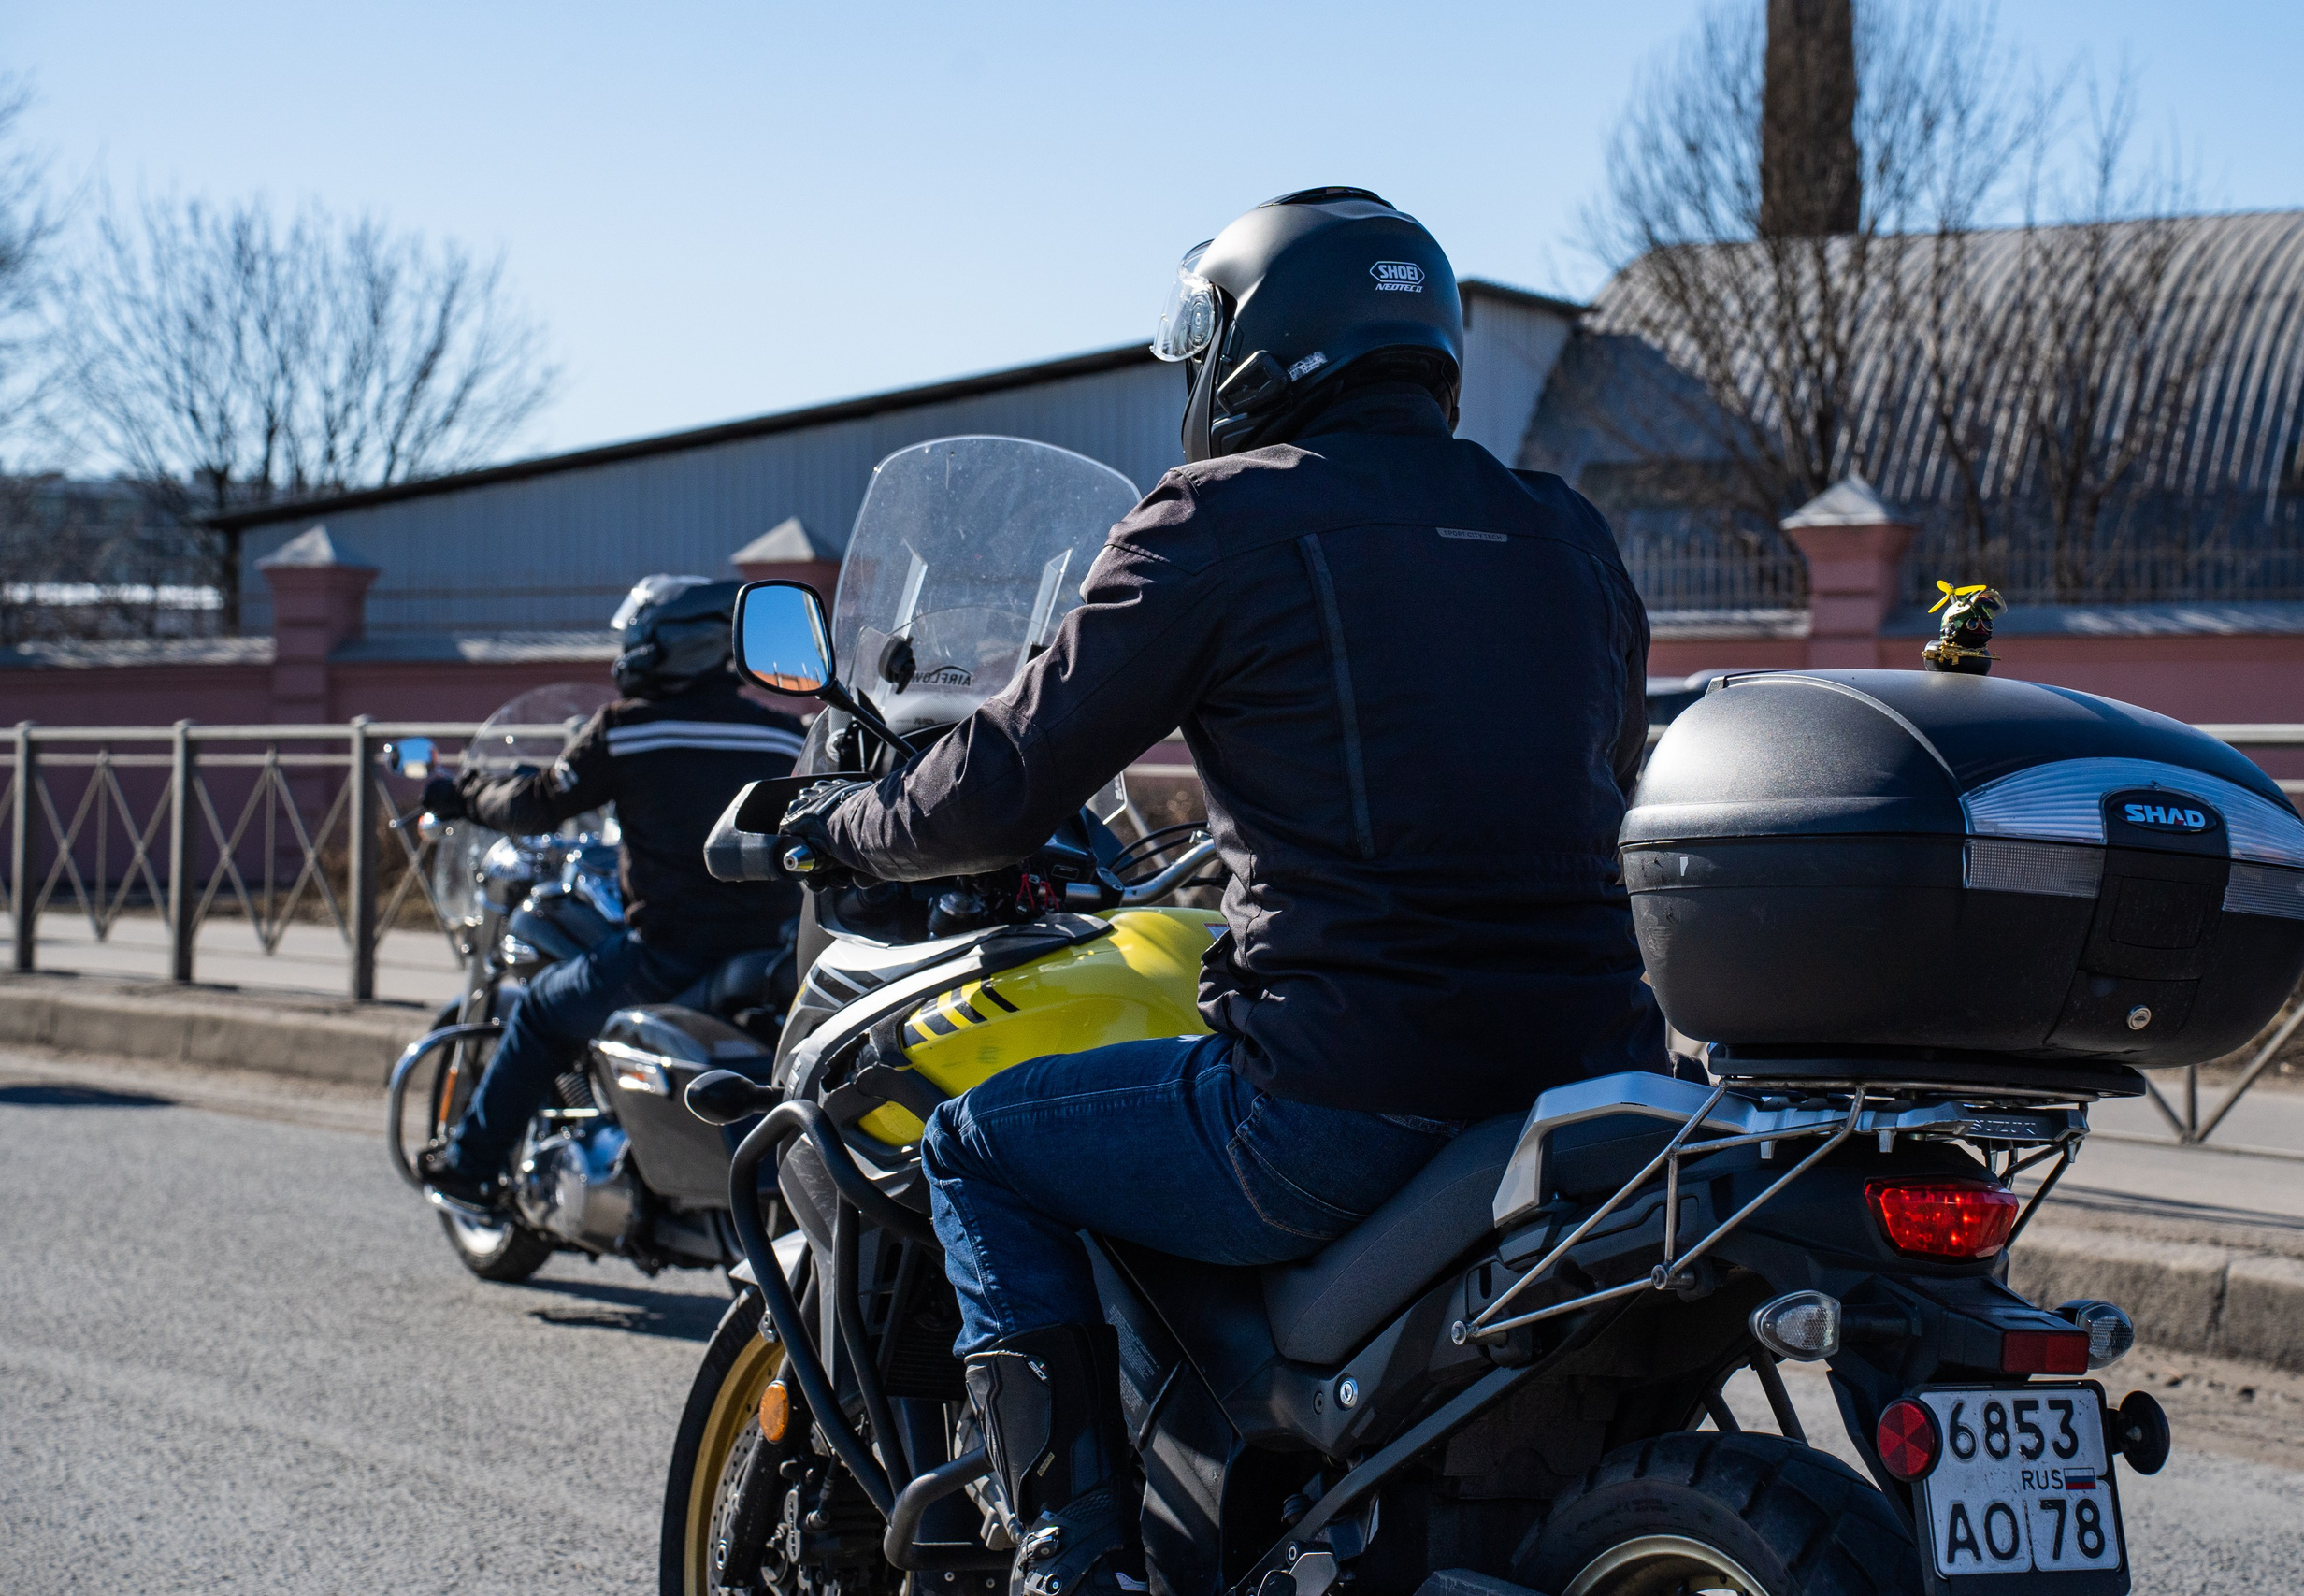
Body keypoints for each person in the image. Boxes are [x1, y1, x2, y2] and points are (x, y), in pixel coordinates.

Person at [786, 189, 1664, 1596]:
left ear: (1259, 345)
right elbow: (1587, 785)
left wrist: (856, 823)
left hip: (1336, 1104)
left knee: (979, 1146)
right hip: (1595, 1085)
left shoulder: (1224, 517)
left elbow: (1007, 776)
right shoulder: (1565, 533)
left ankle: (1075, 1554)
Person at [414, 575, 812, 1209]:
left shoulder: (629, 730)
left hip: (667, 956)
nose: (631, 647)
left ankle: (469, 1164)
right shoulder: (783, 735)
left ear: (669, 643)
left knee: (540, 1008)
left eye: (640, 634)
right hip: (772, 953)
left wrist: (459, 793)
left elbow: (536, 803)